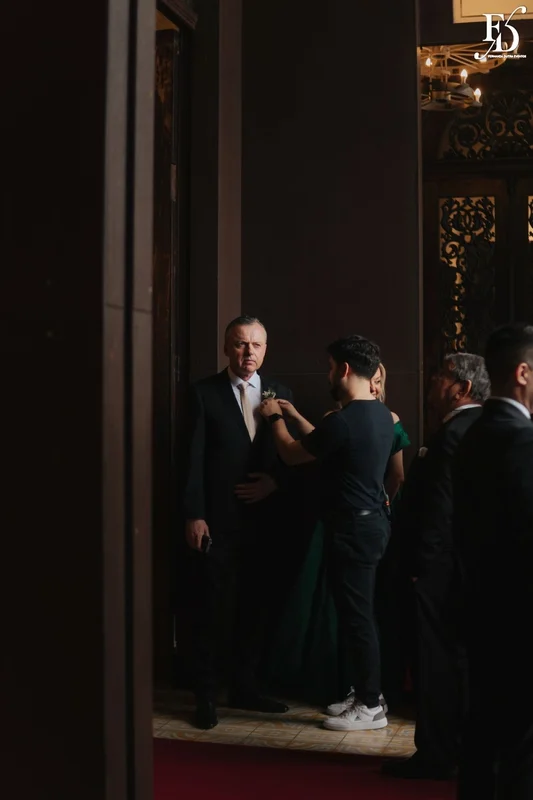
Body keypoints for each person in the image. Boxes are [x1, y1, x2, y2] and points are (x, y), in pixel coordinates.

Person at [259, 335, 394, 731]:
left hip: (353, 528)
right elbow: (327, 439)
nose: (329, 374)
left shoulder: (346, 421)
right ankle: (369, 693)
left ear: (345, 370)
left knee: (357, 619)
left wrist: (274, 418)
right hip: (370, 525)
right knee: (360, 614)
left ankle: (370, 704)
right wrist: (297, 415)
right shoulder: (379, 416)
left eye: (331, 367)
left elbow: (292, 452)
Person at [183, 315, 294, 730]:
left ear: (266, 349)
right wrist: (193, 514)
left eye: (257, 345)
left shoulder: (280, 393)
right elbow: (191, 459)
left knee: (256, 606)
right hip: (217, 520)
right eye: (241, 344)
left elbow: (294, 456)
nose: (249, 352)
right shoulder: (203, 394)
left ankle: (246, 688)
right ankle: (206, 696)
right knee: (213, 608)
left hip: (264, 523)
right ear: (227, 347)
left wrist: (275, 485)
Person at [383, 352, 490, 780]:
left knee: (435, 666)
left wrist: (421, 568)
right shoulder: (477, 431)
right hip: (458, 572)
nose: (431, 384)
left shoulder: (454, 436)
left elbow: (440, 513)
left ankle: (436, 755)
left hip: (436, 574)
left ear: (461, 389)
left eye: (439, 378)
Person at [452, 323, 533, 799]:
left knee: (483, 736)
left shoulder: (474, 434)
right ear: (522, 373)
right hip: (520, 620)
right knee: (521, 750)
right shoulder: (521, 442)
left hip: (480, 611)